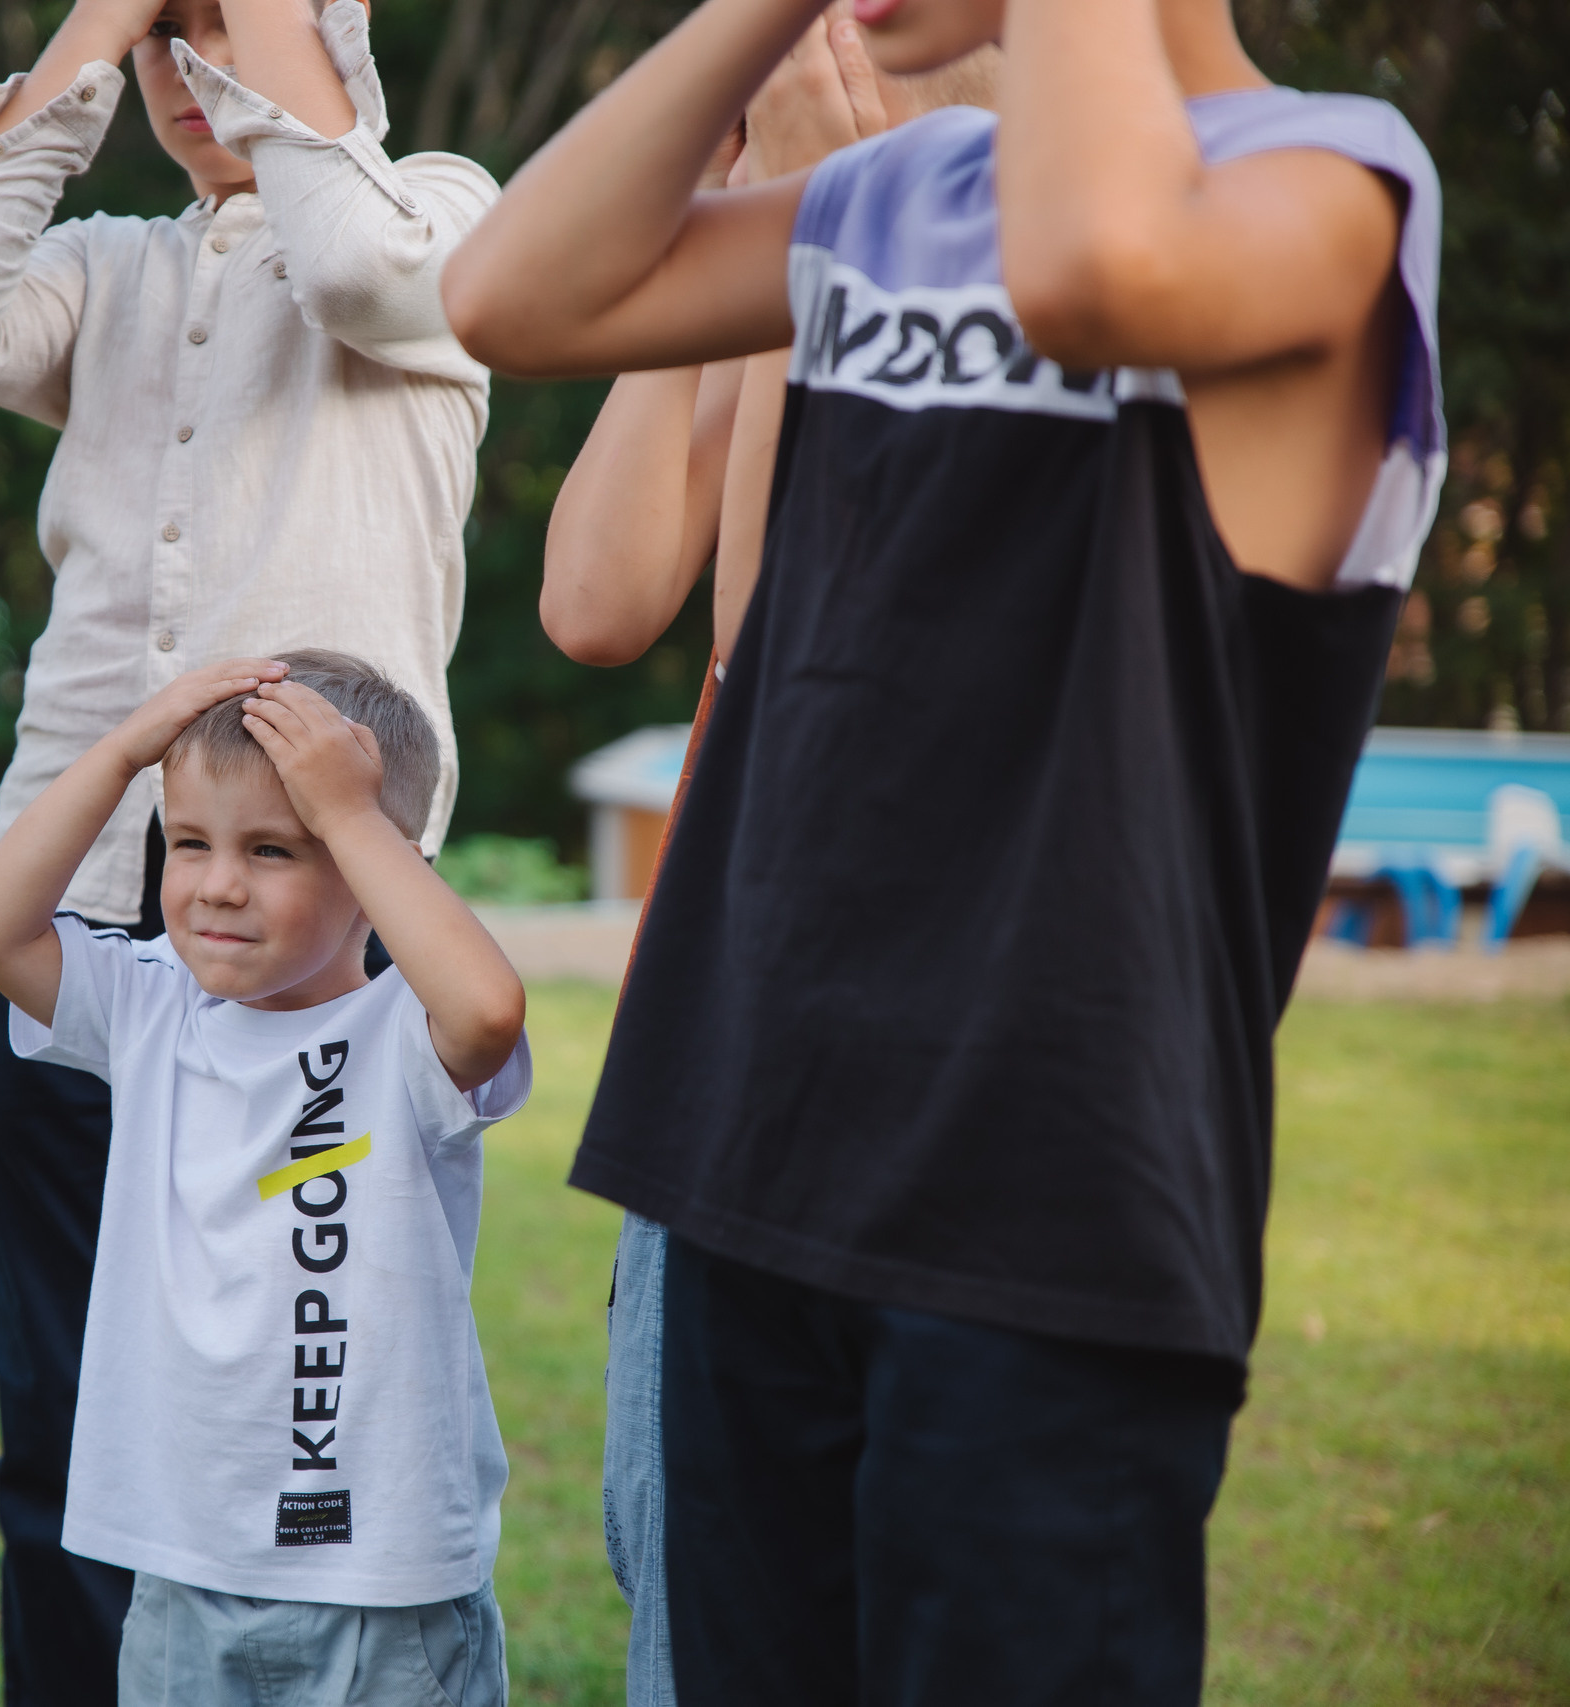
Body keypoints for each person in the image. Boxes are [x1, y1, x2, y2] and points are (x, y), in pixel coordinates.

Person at [445, 0, 1442, 1700]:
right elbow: (513, 296)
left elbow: (1094, 275)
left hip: (1053, 1206)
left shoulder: (1338, 178)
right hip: (757, 1152)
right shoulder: (891, 196)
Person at [0, 3, 499, 1694]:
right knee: (64, 1428)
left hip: (321, 950)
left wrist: (258, 36)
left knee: (302, 1392)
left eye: (232, 31)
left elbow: (359, 278)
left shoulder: (443, 209)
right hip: (79, 912)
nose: (192, 75)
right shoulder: (115, 265)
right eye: (172, 43)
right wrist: (92, 34)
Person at [540, 18, 997, 1702]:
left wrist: (824, 207)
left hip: (908, 1024)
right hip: (723, 1021)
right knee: (686, 1568)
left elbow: (802, 635)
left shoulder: (1004, 219)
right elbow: (594, 603)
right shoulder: (785, 227)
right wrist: (703, 267)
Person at [0, 648, 531, 1707]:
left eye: (274, 849)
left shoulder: (407, 1032)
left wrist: (351, 817)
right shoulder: (150, 1008)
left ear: (376, 866)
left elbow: (491, 1011)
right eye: (192, 843)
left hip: (381, 1584)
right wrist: (129, 747)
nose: (218, 884)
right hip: (183, 1567)